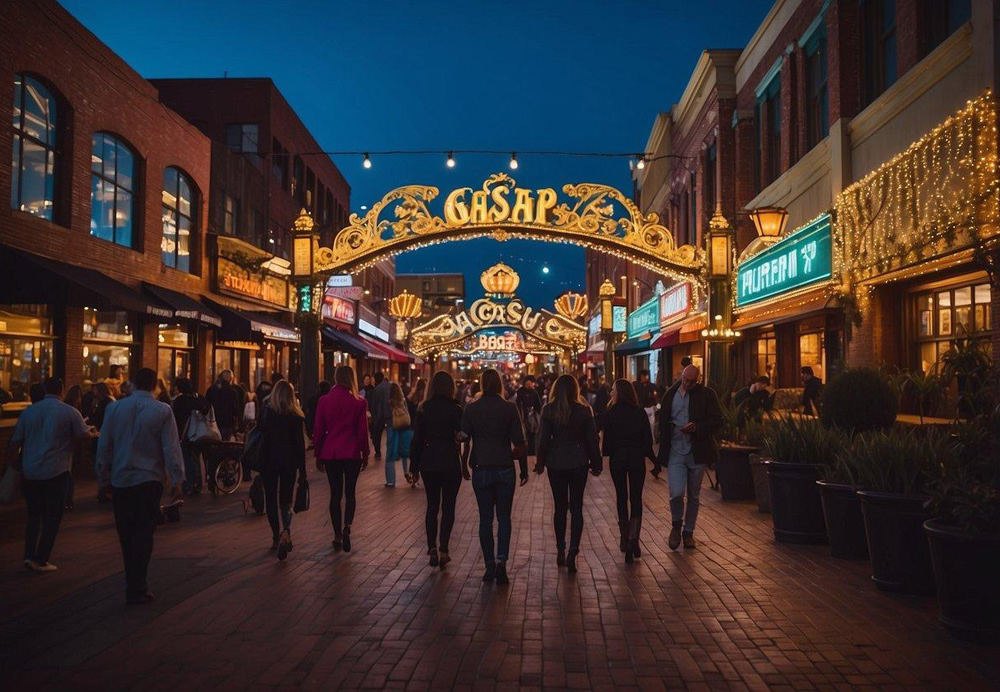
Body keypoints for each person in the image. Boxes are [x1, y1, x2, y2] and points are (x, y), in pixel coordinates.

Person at [95, 368, 184, 604]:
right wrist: (177, 478)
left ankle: (131, 581)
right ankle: (138, 584)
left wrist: (103, 477)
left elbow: (105, 445)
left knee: (126, 532)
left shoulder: (114, 409)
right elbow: (170, 448)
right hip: (149, 479)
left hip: (121, 479)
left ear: (132, 383)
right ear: (154, 384)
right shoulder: (162, 411)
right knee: (144, 531)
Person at [6, 377, 94, 572]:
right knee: (53, 517)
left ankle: (29, 555)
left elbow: (15, 444)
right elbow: (84, 435)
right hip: (57, 470)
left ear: (45, 389)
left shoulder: (30, 412)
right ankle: (42, 558)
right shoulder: (69, 412)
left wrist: (14, 466)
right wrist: (90, 432)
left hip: (31, 471)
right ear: (61, 390)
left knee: (34, 516)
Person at [461, 368, 527, 585]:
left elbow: (464, 438)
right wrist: (523, 467)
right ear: (500, 384)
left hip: (481, 467)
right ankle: (501, 560)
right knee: (505, 517)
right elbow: (519, 441)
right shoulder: (509, 408)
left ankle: (489, 563)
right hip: (504, 467)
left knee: (485, 519)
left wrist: (464, 463)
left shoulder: (472, 409)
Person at [533, 374, 602, 573]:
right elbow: (592, 439)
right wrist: (596, 462)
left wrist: (540, 462)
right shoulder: (584, 410)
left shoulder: (549, 410)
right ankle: (574, 549)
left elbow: (543, 440)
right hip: (579, 460)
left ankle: (560, 548)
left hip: (556, 462)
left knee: (560, 506)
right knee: (577, 506)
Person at [657, 365, 722, 551]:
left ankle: (689, 532)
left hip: (697, 450)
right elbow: (663, 420)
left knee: (694, 494)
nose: (688, 384)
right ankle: (676, 524)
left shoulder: (707, 394)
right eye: (685, 380)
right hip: (676, 450)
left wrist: (698, 427)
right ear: (682, 376)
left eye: (692, 381)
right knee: (676, 492)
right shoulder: (671, 394)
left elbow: (717, 420)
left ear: (698, 379)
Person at [407, 371, 464, 568]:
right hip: (449, 460)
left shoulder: (424, 409)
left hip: (429, 460)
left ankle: (431, 546)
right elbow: (461, 436)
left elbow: (417, 440)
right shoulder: (456, 409)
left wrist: (414, 467)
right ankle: (444, 549)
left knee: (432, 506)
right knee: (448, 507)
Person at [314, 365, 370, 552]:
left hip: (331, 452)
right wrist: (366, 453)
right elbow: (362, 432)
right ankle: (348, 527)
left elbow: (319, 430)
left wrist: (318, 454)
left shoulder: (324, 401)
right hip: (352, 452)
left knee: (335, 494)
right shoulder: (359, 402)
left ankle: (337, 535)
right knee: (350, 493)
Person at [603, 379, 656, 563]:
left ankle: (624, 537)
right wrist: (654, 461)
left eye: (612, 390)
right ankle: (634, 537)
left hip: (618, 458)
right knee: (635, 497)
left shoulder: (611, 413)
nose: (610, 393)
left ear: (619, 393)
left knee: (621, 497)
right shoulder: (639, 413)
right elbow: (647, 442)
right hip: (635, 458)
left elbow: (607, 444)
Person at [258, 380, 307, 560]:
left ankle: (274, 535)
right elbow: (300, 446)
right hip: (289, 462)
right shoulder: (295, 416)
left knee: (270, 498)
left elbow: (259, 433)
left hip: (268, 461)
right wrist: (303, 470)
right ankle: (286, 531)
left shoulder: (266, 413)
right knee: (285, 500)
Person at [172, 378, 208, 495]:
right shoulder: (199, 398)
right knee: (196, 457)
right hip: (200, 432)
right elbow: (207, 410)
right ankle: (198, 483)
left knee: (187, 458)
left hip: (185, 432)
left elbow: (175, 417)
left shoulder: (179, 400)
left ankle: (189, 483)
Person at [385, 382, 415, 487]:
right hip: (404, 427)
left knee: (390, 454)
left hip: (393, 428)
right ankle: (407, 473)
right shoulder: (403, 401)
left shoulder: (389, 402)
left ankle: (391, 481)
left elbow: (387, 415)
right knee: (405, 453)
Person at [62, 384, 86, 511]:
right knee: (70, 474)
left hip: (68, 446)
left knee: (68, 474)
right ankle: (67, 500)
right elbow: (81, 432)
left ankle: (66, 499)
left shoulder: (65, 408)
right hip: (72, 446)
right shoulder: (73, 411)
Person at [206, 370, 240, 440]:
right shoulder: (232, 392)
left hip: (212, 422)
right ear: (230, 379)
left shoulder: (211, 390)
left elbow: (206, 405)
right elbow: (236, 410)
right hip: (227, 423)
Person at [514, 376, 542, 456]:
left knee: (531, 434)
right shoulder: (520, 392)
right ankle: (527, 451)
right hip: (523, 415)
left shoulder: (533, 392)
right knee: (526, 434)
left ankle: (530, 451)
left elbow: (538, 405)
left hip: (531, 416)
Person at [369, 372, 391, 460]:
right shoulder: (390, 386)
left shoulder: (377, 389)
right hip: (389, 414)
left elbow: (374, 404)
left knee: (376, 435)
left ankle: (378, 451)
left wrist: (374, 417)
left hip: (380, 415)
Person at [633, 369, 659, 438]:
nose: (645, 377)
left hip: (648, 408)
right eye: (644, 376)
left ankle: (651, 439)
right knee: (647, 426)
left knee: (651, 426)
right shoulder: (636, 385)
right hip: (642, 408)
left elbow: (655, 397)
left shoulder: (650, 386)